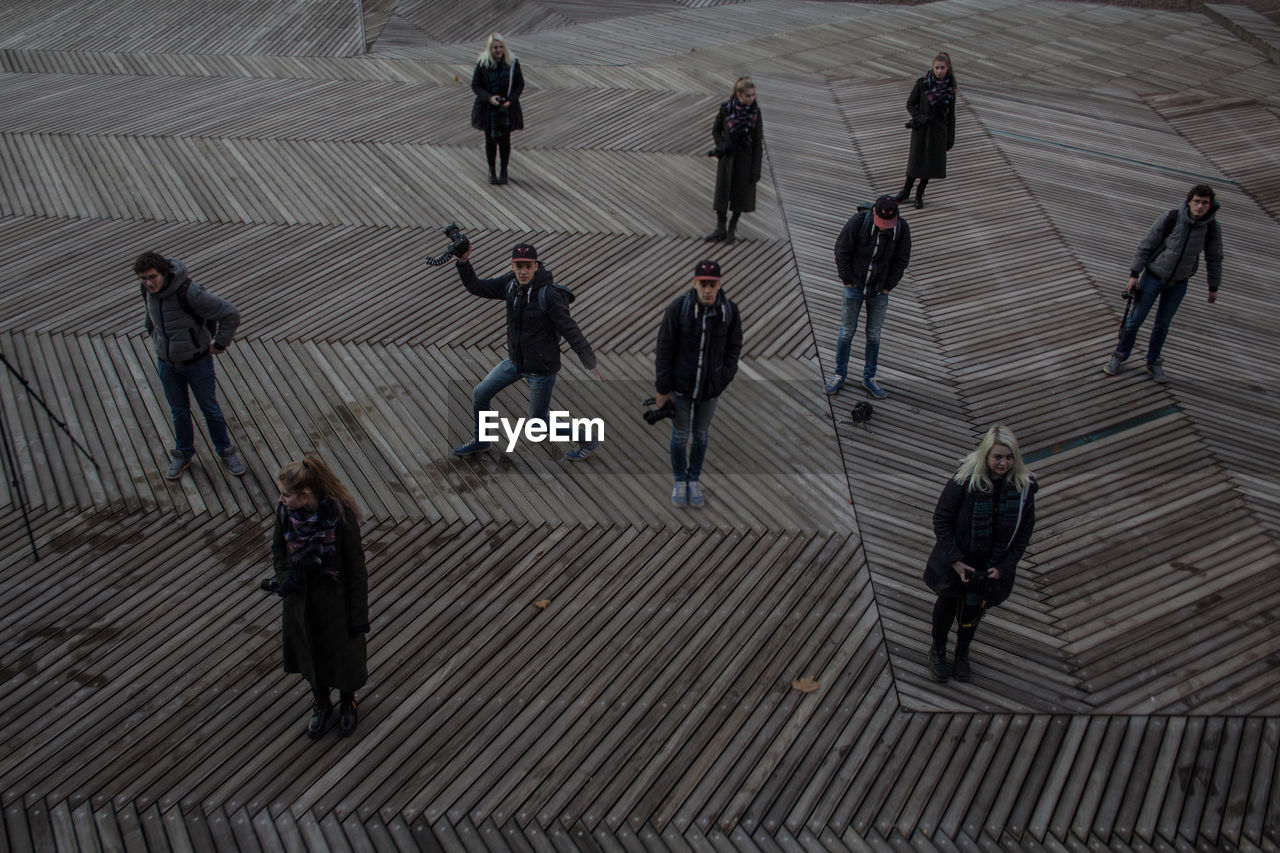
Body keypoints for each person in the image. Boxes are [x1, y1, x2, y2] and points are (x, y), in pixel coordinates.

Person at [452, 242, 603, 458]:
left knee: (538, 422)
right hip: (515, 361)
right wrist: (463, 261)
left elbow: (569, 328)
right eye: (519, 266)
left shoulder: (549, 295)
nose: (523, 271)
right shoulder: (510, 284)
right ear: (513, 266)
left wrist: (590, 361)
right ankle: (482, 441)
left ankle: (588, 439)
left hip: (541, 369)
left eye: (528, 266)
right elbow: (477, 287)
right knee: (480, 393)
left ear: (536, 266)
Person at [922, 425, 1037, 683]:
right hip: (958, 563)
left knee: (973, 613)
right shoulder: (964, 480)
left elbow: (1024, 531)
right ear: (986, 455)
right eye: (997, 457)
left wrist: (1005, 565)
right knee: (946, 606)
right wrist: (955, 560)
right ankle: (938, 649)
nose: (1003, 463)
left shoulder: (1023, 488)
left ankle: (962, 652)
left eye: (1009, 457)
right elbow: (942, 520)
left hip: (989, 567)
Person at [267, 455, 369, 738]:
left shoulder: (341, 519)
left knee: (343, 659)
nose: (281, 500)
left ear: (305, 494)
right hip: (299, 602)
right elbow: (279, 549)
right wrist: (286, 575)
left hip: (336, 602)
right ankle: (321, 702)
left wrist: (359, 615)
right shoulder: (285, 514)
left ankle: (347, 701)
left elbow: (356, 569)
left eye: (286, 495)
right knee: (309, 655)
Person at [135, 251, 246, 480]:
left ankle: (226, 451)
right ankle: (183, 454)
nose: (148, 283)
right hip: (167, 363)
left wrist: (220, 344)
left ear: (164, 273)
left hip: (197, 362)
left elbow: (231, 314)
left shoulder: (190, 292)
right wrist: (154, 336)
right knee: (179, 412)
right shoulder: (147, 292)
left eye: (152, 277)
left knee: (210, 409)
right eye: (143, 278)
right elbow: (151, 315)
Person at [1104, 184, 1223, 382]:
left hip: (1179, 283)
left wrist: (1213, 287)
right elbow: (1147, 244)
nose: (1200, 206)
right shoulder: (1171, 218)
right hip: (1153, 277)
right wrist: (1134, 274)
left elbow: (1215, 257)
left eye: (1205, 203)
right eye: (1197, 201)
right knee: (1134, 321)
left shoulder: (1211, 228)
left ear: (1210, 206)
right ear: (1189, 201)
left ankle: (1153, 362)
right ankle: (1119, 355)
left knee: (1162, 325)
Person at [654, 259, 743, 507]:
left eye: (712, 284)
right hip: (680, 389)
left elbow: (734, 347)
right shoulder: (678, 309)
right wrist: (663, 389)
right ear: (694, 283)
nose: (707, 289)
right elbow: (664, 349)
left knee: (701, 434)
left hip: (710, 391)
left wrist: (722, 378)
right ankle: (680, 481)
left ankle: (694, 480)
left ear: (720, 284)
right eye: (703, 284)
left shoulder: (729, 311)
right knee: (680, 435)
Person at [825, 195, 911, 399]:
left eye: (888, 224)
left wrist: (888, 287)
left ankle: (869, 377)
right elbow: (841, 249)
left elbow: (902, 259)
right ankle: (839, 374)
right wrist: (847, 280)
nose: (885, 227)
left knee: (874, 335)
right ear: (873, 212)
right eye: (881, 223)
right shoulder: (858, 222)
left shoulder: (902, 229)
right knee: (846, 332)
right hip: (854, 286)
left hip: (879, 290)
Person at [705, 77, 764, 245]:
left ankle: (732, 227)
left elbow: (757, 143)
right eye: (747, 95)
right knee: (722, 193)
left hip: (745, 160)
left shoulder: (755, 114)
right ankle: (720, 227)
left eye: (753, 95)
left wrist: (756, 169)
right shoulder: (726, 109)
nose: (751, 99)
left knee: (741, 196)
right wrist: (722, 145)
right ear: (738, 94)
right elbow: (716, 130)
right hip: (728, 159)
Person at [894, 52, 956, 210]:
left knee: (930, 166)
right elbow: (910, 104)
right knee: (915, 163)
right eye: (937, 68)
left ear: (947, 68)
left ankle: (919, 193)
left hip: (938, 132)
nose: (939, 71)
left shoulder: (950, 89)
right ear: (933, 67)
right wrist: (919, 117)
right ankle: (905, 191)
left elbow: (951, 115)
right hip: (921, 129)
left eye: (942, 68)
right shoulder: (923, 84)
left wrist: (950, 137)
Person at [470, 33, 524, 185]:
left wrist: (510, 100)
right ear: (490, 48)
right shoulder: (483, 63)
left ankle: (504, 171)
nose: (498, 50)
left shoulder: (512, 63)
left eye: (500, 47)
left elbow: (519, 85)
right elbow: (476, 85)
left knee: (505, 141)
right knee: (490, 141)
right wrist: (489, 98)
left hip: (506, 108)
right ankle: (492, 171)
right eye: (495, 48)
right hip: (488, 109)